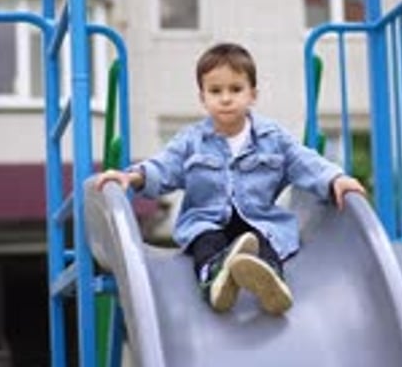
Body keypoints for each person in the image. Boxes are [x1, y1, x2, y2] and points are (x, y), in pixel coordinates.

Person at [95, 43, 366, 315]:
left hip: (257, 219)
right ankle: (215, 279)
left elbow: (305, 161)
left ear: (252, 95)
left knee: (264, 241)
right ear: (203, 98)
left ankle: (269, 280)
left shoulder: (272, 138)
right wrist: (133, 176)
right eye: (215, 91)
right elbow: (163, 167)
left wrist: (335, 179)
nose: (225, 98)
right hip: (207, 221)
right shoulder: (191, 141)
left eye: (235, 89)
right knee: (205, 241)